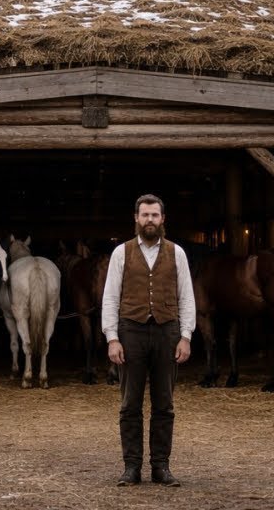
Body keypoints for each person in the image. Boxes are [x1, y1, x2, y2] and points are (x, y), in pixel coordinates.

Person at [101, 193, 196, 487]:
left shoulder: (177, 253)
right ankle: (131, 468)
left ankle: (161, 467)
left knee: (164, 404)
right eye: (145, 215)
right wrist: (112, 338)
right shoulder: (122, 253)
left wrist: (186, 336)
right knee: (130, 403)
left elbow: (187, 297)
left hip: (167, 332)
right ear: (136, 219)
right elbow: (110, 298)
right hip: (132, 332)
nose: (150, 220)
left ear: (163, 219)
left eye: (155, 215)